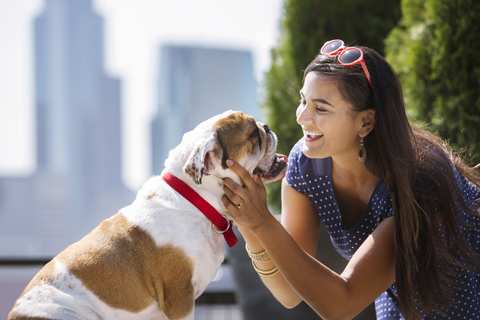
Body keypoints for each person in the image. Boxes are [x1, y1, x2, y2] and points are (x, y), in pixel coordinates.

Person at [222, 39, 480, 320]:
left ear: (366, 122)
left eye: (321, 109)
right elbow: (289, 293)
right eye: (303, 100)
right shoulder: (307, 164)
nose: (302, 117)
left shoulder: (420, 182)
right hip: (401, 303)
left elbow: (341, 305)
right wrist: (249, 223)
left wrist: (263, 220)